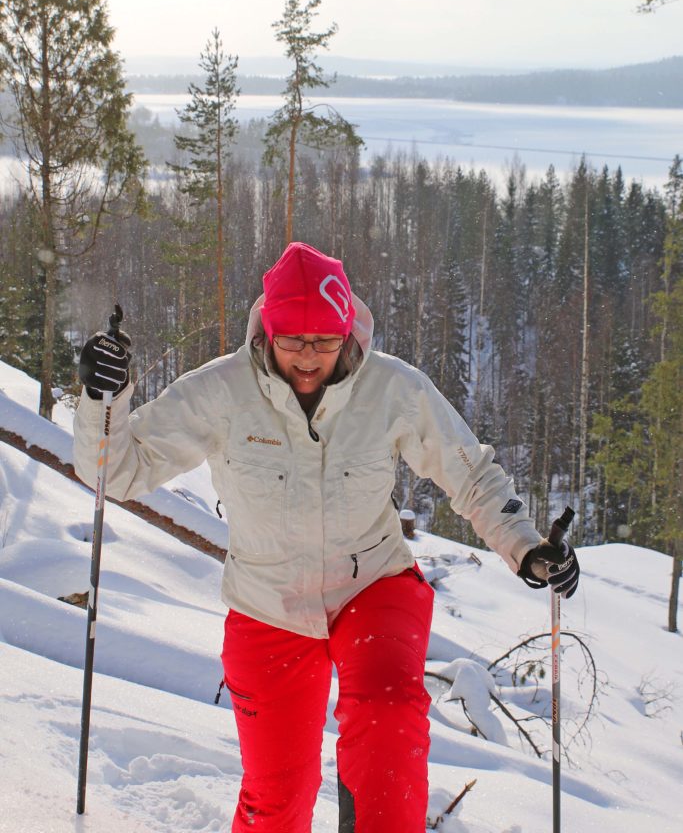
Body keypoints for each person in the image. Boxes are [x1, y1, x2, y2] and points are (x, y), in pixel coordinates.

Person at [74, 242, 580, 833]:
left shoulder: (392, 388)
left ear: (347, 332)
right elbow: (117, 471)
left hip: (374, 586)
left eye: (325, 342)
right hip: (268, 603)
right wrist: (100, 400)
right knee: (276, 798)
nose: (309, 357)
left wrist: (524, 546)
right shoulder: (220, 392)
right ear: (268, 330)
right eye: (293, 341)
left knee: (387, 724)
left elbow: (471, 473)